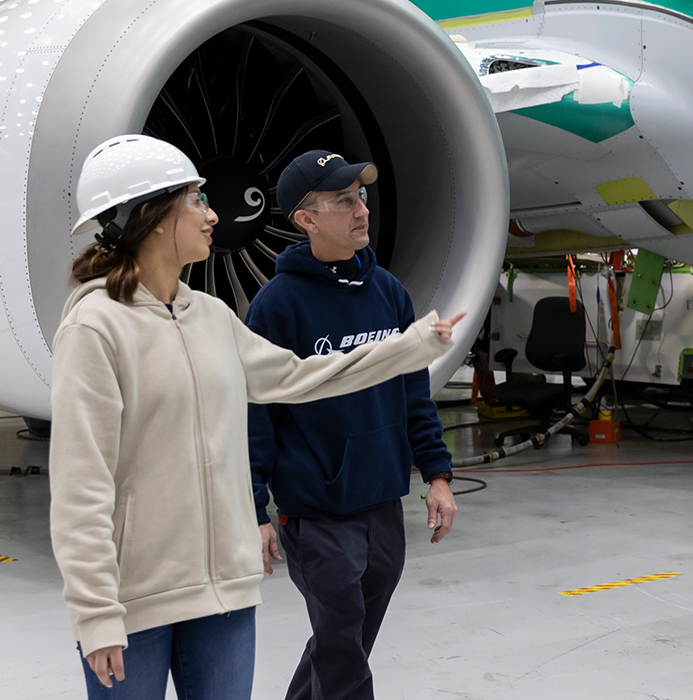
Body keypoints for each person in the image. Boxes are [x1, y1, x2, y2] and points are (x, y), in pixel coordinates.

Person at [48, 135, 466, 700]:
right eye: (197, 199)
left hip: (224, 594)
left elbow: (300, 377)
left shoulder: (212, 316)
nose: (213, 213)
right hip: (136, 601)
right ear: (151, 215)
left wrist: (414, 346)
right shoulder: (94, 329)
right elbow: (81, 485)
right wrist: (96, 611)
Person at [247, 150, 455, 700]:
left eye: (360, 196)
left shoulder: (389, 292)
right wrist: (255, 506)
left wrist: (437, 474)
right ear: (306, 219)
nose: (360, 209)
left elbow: (414, 390)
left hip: (383, 504)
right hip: (315, 513)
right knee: (341, 648)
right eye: (341, 200)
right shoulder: (276, 307)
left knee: (346, 642)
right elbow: (255, 411)